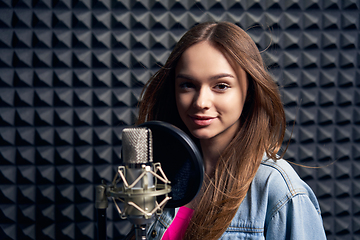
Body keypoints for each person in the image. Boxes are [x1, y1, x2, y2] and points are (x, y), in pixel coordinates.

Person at [136, 22, 326, 240]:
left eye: (221, 86)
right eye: (188, 85)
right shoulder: (166, 174)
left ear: (249, 92)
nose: (201, 102)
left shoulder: (278, 189)